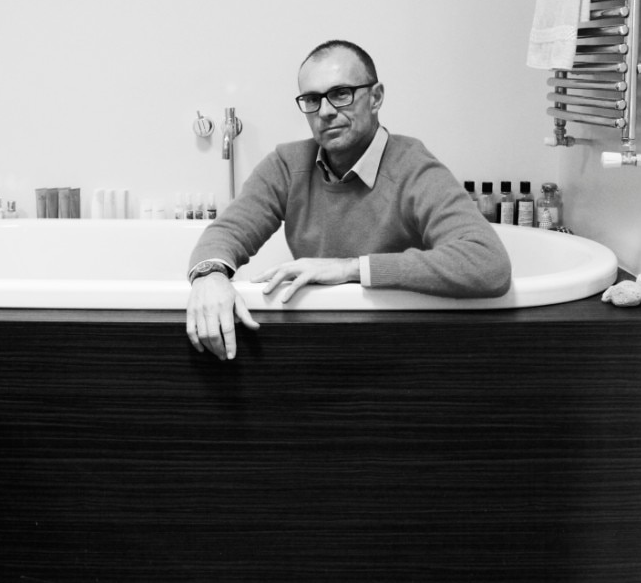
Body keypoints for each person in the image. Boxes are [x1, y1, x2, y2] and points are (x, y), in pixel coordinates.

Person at [185, 40, 512, 360]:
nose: (325, 111)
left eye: (341, 94)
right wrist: (210, 275)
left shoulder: (413, 167)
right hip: (320, 343)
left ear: (376, 97)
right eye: (312, 99)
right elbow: (228, 231)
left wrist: (351, 268)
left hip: (405, 346)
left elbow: (488, 264)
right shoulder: (287, 164)